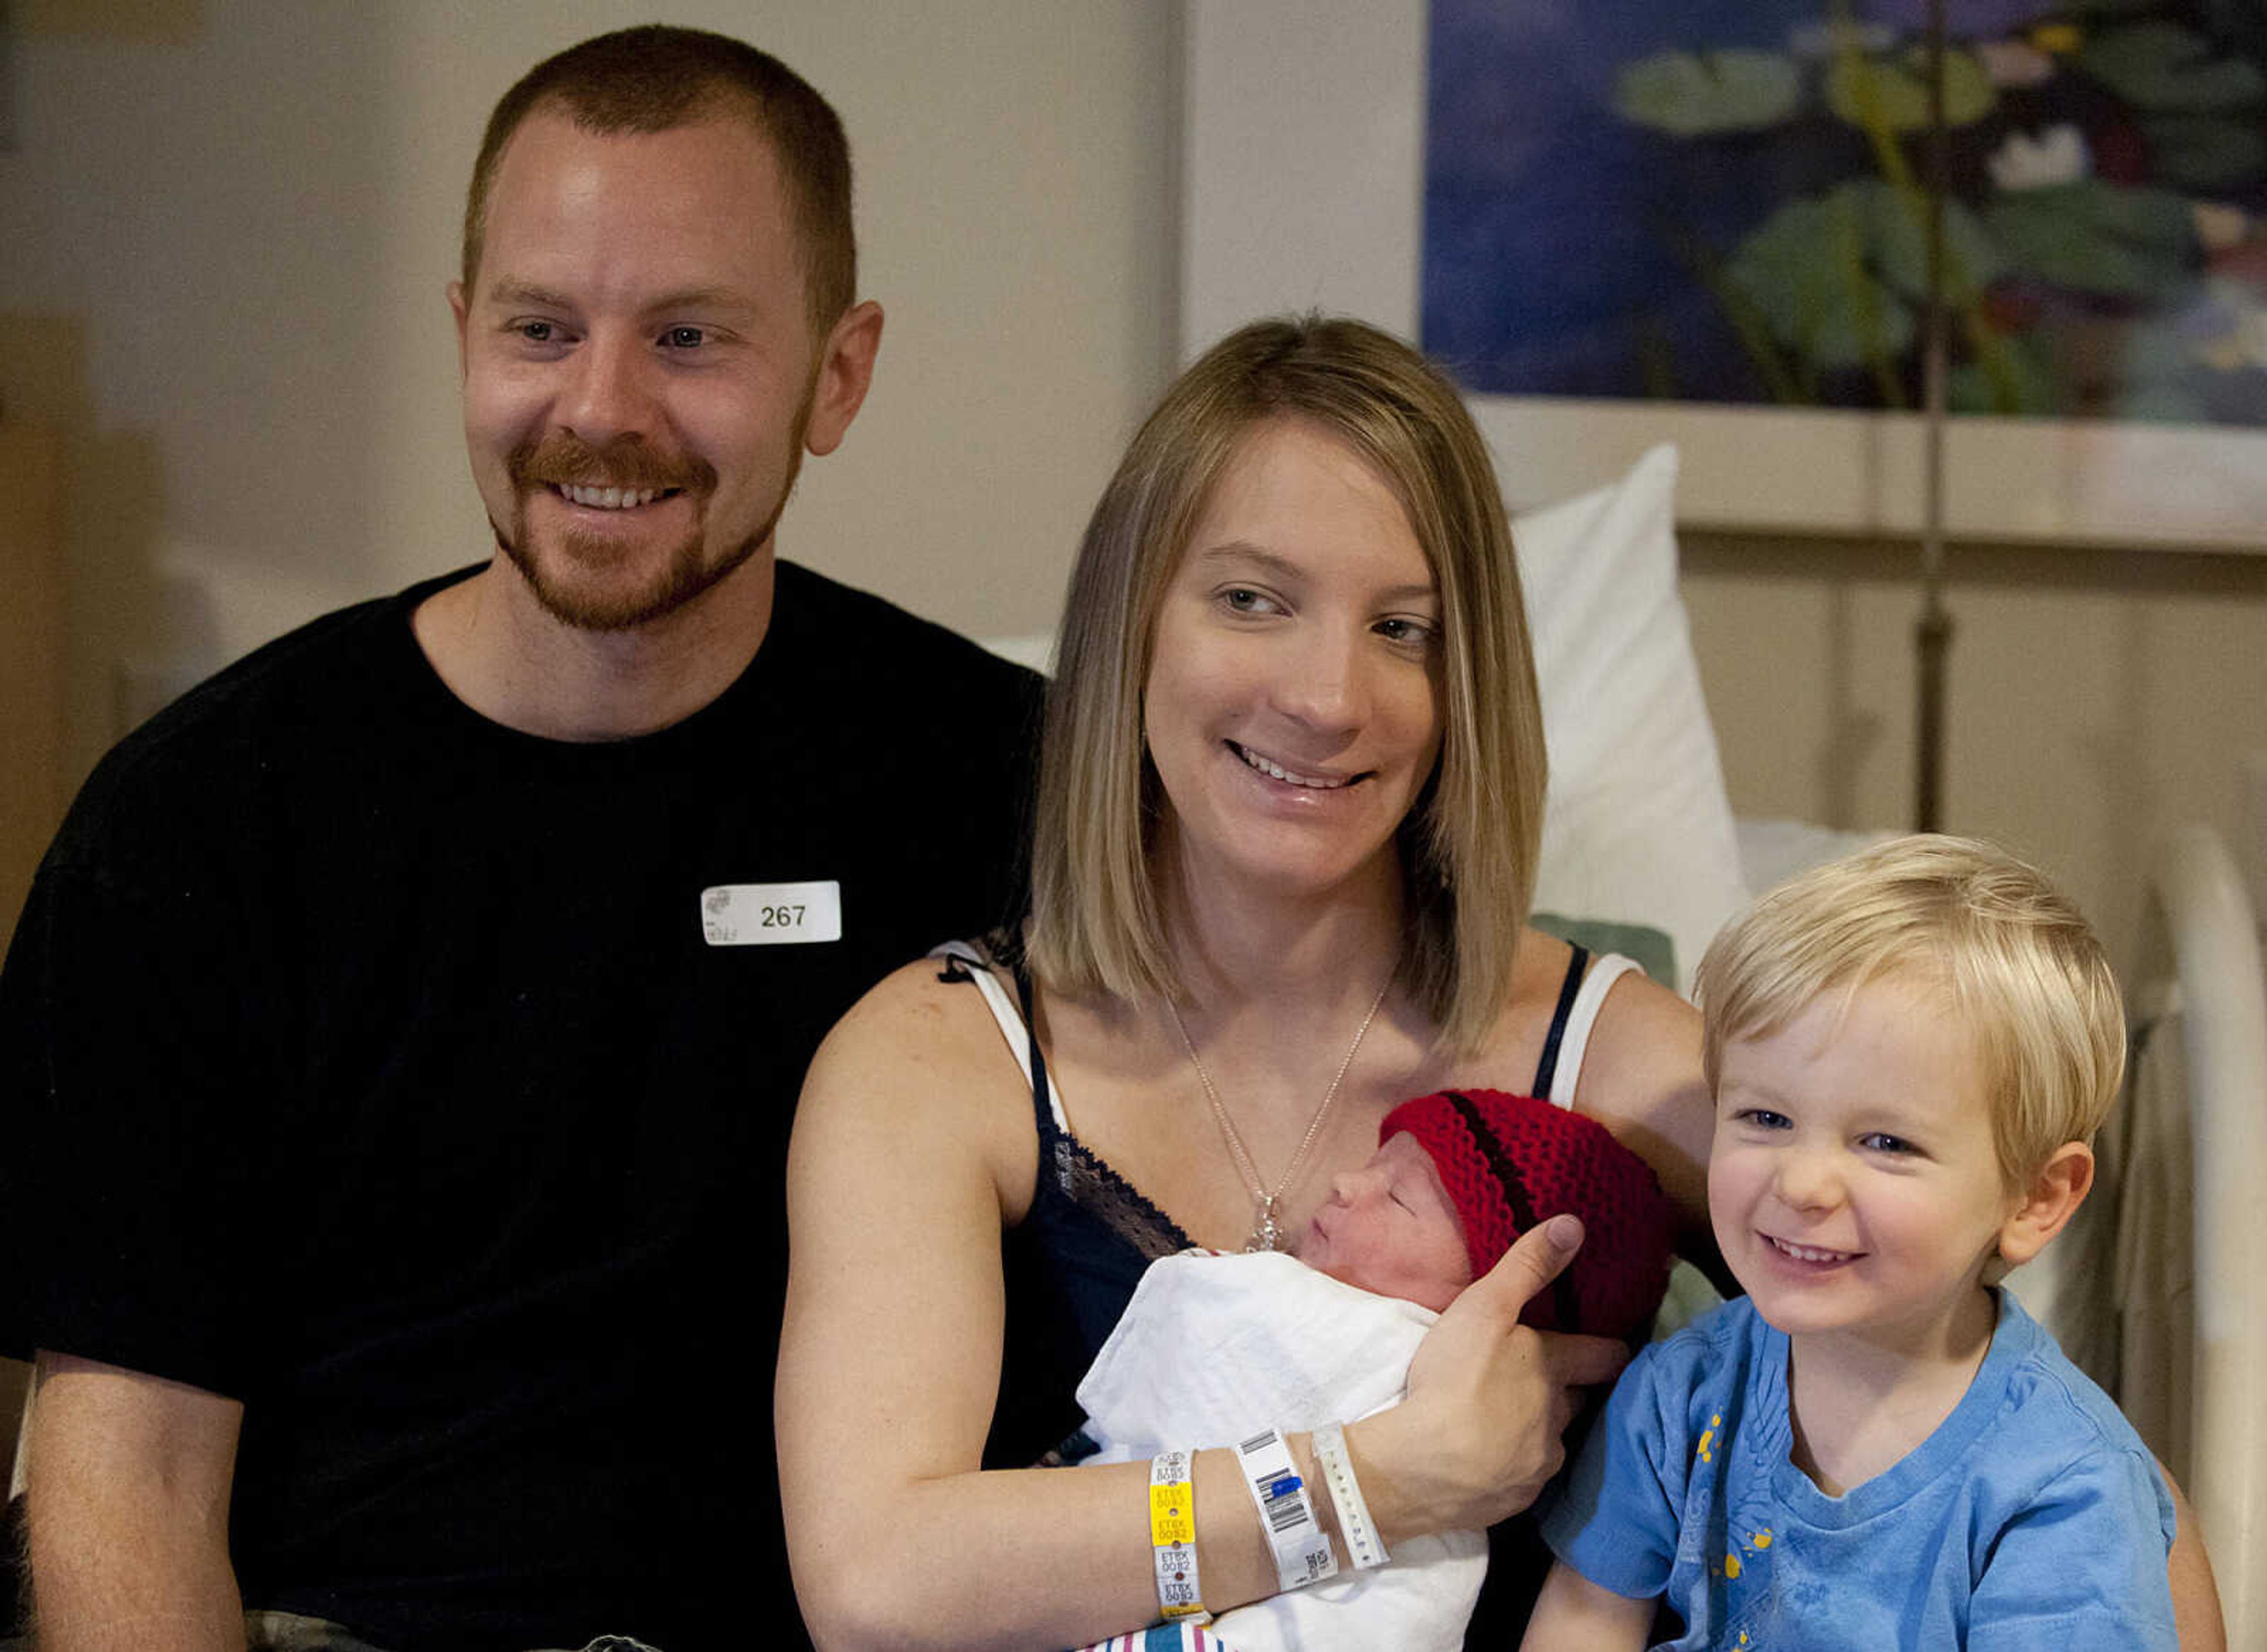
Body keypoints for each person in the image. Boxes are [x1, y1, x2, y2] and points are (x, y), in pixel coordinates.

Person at [0, 26, 1038, 1652]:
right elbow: (123, 1475)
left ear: (839, 373)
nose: (600, 409)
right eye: (540, 327)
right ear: (462, 335)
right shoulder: (198, 824)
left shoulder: (1007, 788)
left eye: (691, 336)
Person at [776, 314, 1723, 1650]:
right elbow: (874, 1583)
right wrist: (1377, 1479)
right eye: (1251, 600)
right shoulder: (939, 1061)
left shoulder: (1609, 1060)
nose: (1327, 695)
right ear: (1131, 624)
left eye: (1401, 626)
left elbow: (1994, 1396)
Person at [1526, 835, 2181, 1648]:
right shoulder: (1682, 1395)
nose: (1802, 1184)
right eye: (1766, 1118)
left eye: (1886, 1143)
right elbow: (1586, 1618)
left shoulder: (2061, 1484)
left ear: (2036, 1198)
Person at [1065, 1085, 1680, 1652]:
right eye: (1374, 1163)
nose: (1346, 1181)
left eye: (1399, 1195)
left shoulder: (1400, 1361)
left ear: (1494, 1308)